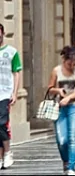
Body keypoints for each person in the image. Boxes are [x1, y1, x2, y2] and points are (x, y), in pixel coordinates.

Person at [48, 46, 75, 176]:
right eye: (70, 63)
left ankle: (71, 167)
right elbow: (50, 88)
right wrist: (58, 90)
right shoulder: (56, 70)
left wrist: (69, 97)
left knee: (72, 138)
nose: (72, 65)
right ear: (64, 59)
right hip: (60, 107)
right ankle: (66, 161)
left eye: (74, 62)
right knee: (61, 140)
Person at [0, 24, 21, 170]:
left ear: (3, 33)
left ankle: (7, 152)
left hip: (4, 92)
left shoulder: (11, 52)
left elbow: (16, 72)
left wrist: (15, 92)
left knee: (1, 123)